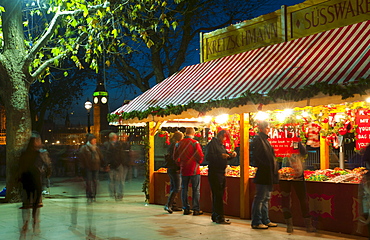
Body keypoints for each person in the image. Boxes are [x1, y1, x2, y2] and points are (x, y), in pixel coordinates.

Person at [18, 132, 52, 238]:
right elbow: (47, 165)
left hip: (25, 180)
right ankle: (35, 222)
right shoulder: (40, 153)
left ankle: (27, 222)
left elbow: (20, 167)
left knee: (27, 203)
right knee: (36, 203)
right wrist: (47, 174)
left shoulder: (24, 153)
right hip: (35, 179)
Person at [279, 141, 316, 233]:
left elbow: (303, 152)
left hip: (293, 174)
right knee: (290, 199)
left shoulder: (290, 142)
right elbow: (304, 153)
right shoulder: (280, 141)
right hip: (288, 174)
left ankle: (296, 225)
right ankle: (292, 225)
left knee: (298, 199)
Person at [250, 121, 279, 229]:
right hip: (263, 173)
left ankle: (265, 220)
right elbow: (257, 157)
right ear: (261, 129)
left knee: (266, 197)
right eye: (267, 128)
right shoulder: (258, 140)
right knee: (260, 198)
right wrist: (265, 166)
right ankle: (256, 221)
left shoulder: (265, 140)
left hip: (268, 173)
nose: (269, 129)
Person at [206, 130, 237, 224]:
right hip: (215, 172)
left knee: (219, 194)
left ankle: (216, 214)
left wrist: (231, 156)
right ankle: (219, 216)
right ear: (219, 136)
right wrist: (220, 156)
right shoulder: (212, 144)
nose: (224, 139)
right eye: (224, 137)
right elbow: (208, 157)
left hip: (221, 172)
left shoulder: (221, 145)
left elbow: (225, 155)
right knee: (218, 194)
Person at [173, 127, 204, 215]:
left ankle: (186, 208)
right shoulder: (195, 143)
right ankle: (196, 209)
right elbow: (200, 156)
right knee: (195, 190)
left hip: (183, 169)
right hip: (194, 169)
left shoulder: (178, 144)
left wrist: (181, 164)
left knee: (184, 189)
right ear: (193, 133)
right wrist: (198, 162)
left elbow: (175, 157)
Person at [78, 134, 104, 203]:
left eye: (95, 140)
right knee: (88, 182)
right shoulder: (84, 148)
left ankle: (94, 196)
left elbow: (101, 157)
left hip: (96, 167)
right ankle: (89, 195)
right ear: (90, 140)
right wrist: (82, 167)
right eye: (93, 140)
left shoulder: (96, 148)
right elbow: (81, 158)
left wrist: (104, 164)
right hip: (88, 167)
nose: (95, 141)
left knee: (95, 182)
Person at [164, 131, 184, 213]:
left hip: (170, 168)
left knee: (173, 186)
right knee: (177, 187)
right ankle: (168, 205)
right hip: (175, 169)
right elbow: (176, 158)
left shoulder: (171, 145)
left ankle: (173, 204)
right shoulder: (176, 146)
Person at [103, 132, 121, 200]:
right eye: (114, 138)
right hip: (111, 164)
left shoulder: (118, 145)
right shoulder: (107, 145)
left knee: (116, 180)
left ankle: (115, 193)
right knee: (111, 180)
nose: (115, 139)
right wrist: (106, 164)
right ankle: (113, 193)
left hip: (117, 164)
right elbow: (105, 155)